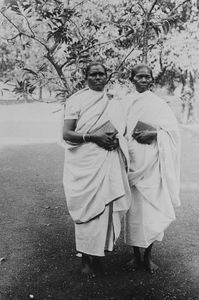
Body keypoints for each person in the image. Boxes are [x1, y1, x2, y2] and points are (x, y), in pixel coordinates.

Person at [62, 62, 131, 275]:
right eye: (93, 74)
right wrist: (95, 137)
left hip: (106, 158)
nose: (98, 78)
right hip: (84, 162)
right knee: (87, 209)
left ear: (107, 77)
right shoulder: (76, 100)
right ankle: (85, 259)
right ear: (86, 77)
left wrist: (114, 140)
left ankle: (99, 255)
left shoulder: (114, 102)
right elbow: (67, 134)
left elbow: (122, 130)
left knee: (104, 208)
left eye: (102, 74)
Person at [123, 64, 181, 273]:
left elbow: (173, 132)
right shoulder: (125, 103)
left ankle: (148, 256)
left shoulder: (159, 104)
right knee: (135, 211)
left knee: (151, 210)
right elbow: (119, 129)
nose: (145, 80)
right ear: (132, 79)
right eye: (140, 76)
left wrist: (155, 134)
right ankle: (135, 255)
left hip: (152, 163)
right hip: (132, 161)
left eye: (148, 77)